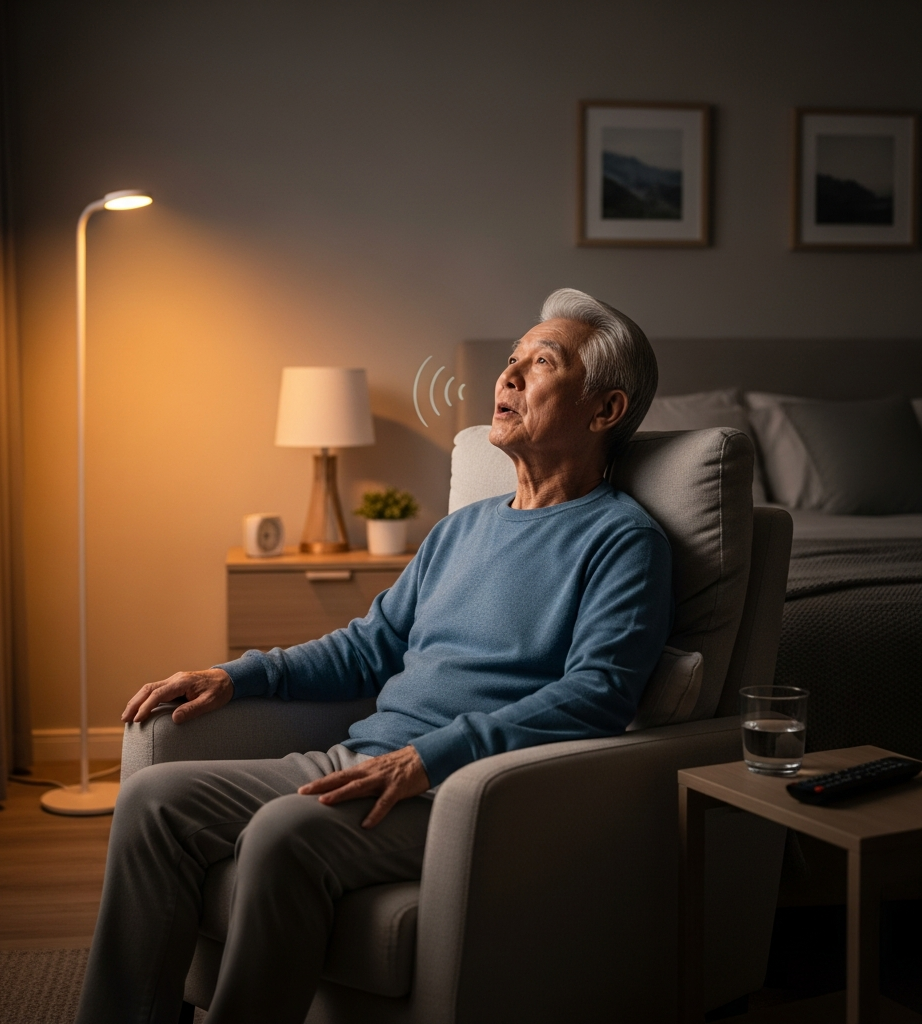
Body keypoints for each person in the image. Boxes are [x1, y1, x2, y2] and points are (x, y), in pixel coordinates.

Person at [75, 287, 672, 1024]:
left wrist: (430, 758)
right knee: (150, 801)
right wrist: (235, 675)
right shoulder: (462, 530)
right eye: (510, 361)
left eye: (540, 363)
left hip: (456, 791)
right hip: (360, 763)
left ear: (604, 410)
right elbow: (369, 647)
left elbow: (599, 694)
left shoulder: (622, 541)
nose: (507, 377)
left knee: (282, 833)